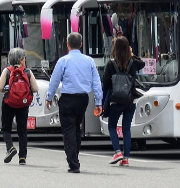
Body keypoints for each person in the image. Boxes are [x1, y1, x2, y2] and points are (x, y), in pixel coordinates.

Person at [45, 32, 102, 173]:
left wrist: (49, 97)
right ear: (81, 44)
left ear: (67, 44)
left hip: (68, 98)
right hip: (83, 99)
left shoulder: (63, 61)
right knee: (77, 127)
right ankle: (74, 157)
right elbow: (96, 82)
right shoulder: (89, 61)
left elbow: (54, 81)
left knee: (69, 130)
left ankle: (73, 162)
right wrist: (99, 101)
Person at [102, 36, 145, 166]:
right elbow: (142, 63)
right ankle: (125, 158)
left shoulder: (111, 64)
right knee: (126, 129)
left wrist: (103, 101)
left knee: (112, 126)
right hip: (130, 100)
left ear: (115, 48)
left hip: (115, 101)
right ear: (128, 49)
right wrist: (132, 55)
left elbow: (105, 84)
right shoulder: (133, 63)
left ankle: (117, 152)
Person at [0, 47, 39, 165]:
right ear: (21, 60)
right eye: (24, 58)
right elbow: (35, 88)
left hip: (8, 103)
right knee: (22, 131)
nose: (25, 59)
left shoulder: (7, 71)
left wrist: (7, 90)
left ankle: (10, 148)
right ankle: (22, 158)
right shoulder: (27, 72)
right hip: (23, 104)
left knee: (6, 128)